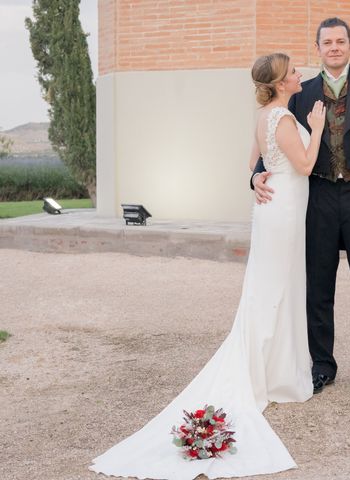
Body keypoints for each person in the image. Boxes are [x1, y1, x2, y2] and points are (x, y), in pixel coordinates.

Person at [89, 53, 326, 480]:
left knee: (271, 288)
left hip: (274, 211)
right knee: (277, 289)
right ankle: (273, 376)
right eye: (292, 72)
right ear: (278, 83)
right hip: (284, 211)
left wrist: (256, 177)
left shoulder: (264, 116)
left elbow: (253, 162)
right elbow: (305, 165)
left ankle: (275, 370)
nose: (299, 75)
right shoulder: (285, 120)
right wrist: (320, 124)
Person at [252, 17, 350, 397]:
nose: (334, 47)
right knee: (317, 286)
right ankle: (321, 366)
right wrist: (255, 175)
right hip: (316, 198)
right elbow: (273, 139)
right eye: (327, 42)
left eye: (341, 41)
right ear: (318, 48)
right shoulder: (299, 91)